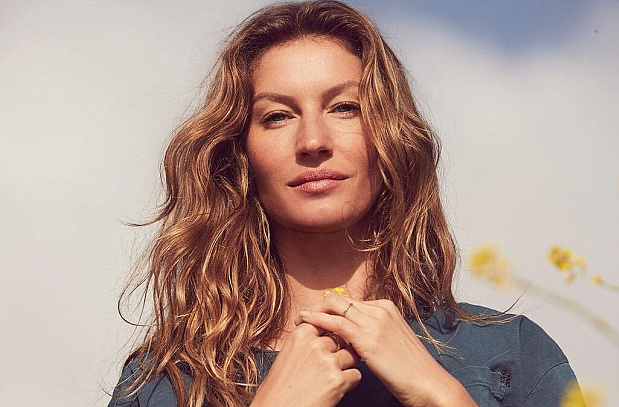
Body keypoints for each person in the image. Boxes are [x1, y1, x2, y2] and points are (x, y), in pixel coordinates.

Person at [108, 1, 584, 407]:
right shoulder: (167, 384)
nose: (313, 141)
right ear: (239, 154)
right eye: (278, 116)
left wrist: (440, 394)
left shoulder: (510, 356)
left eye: (344, 108)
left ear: (392, 136)